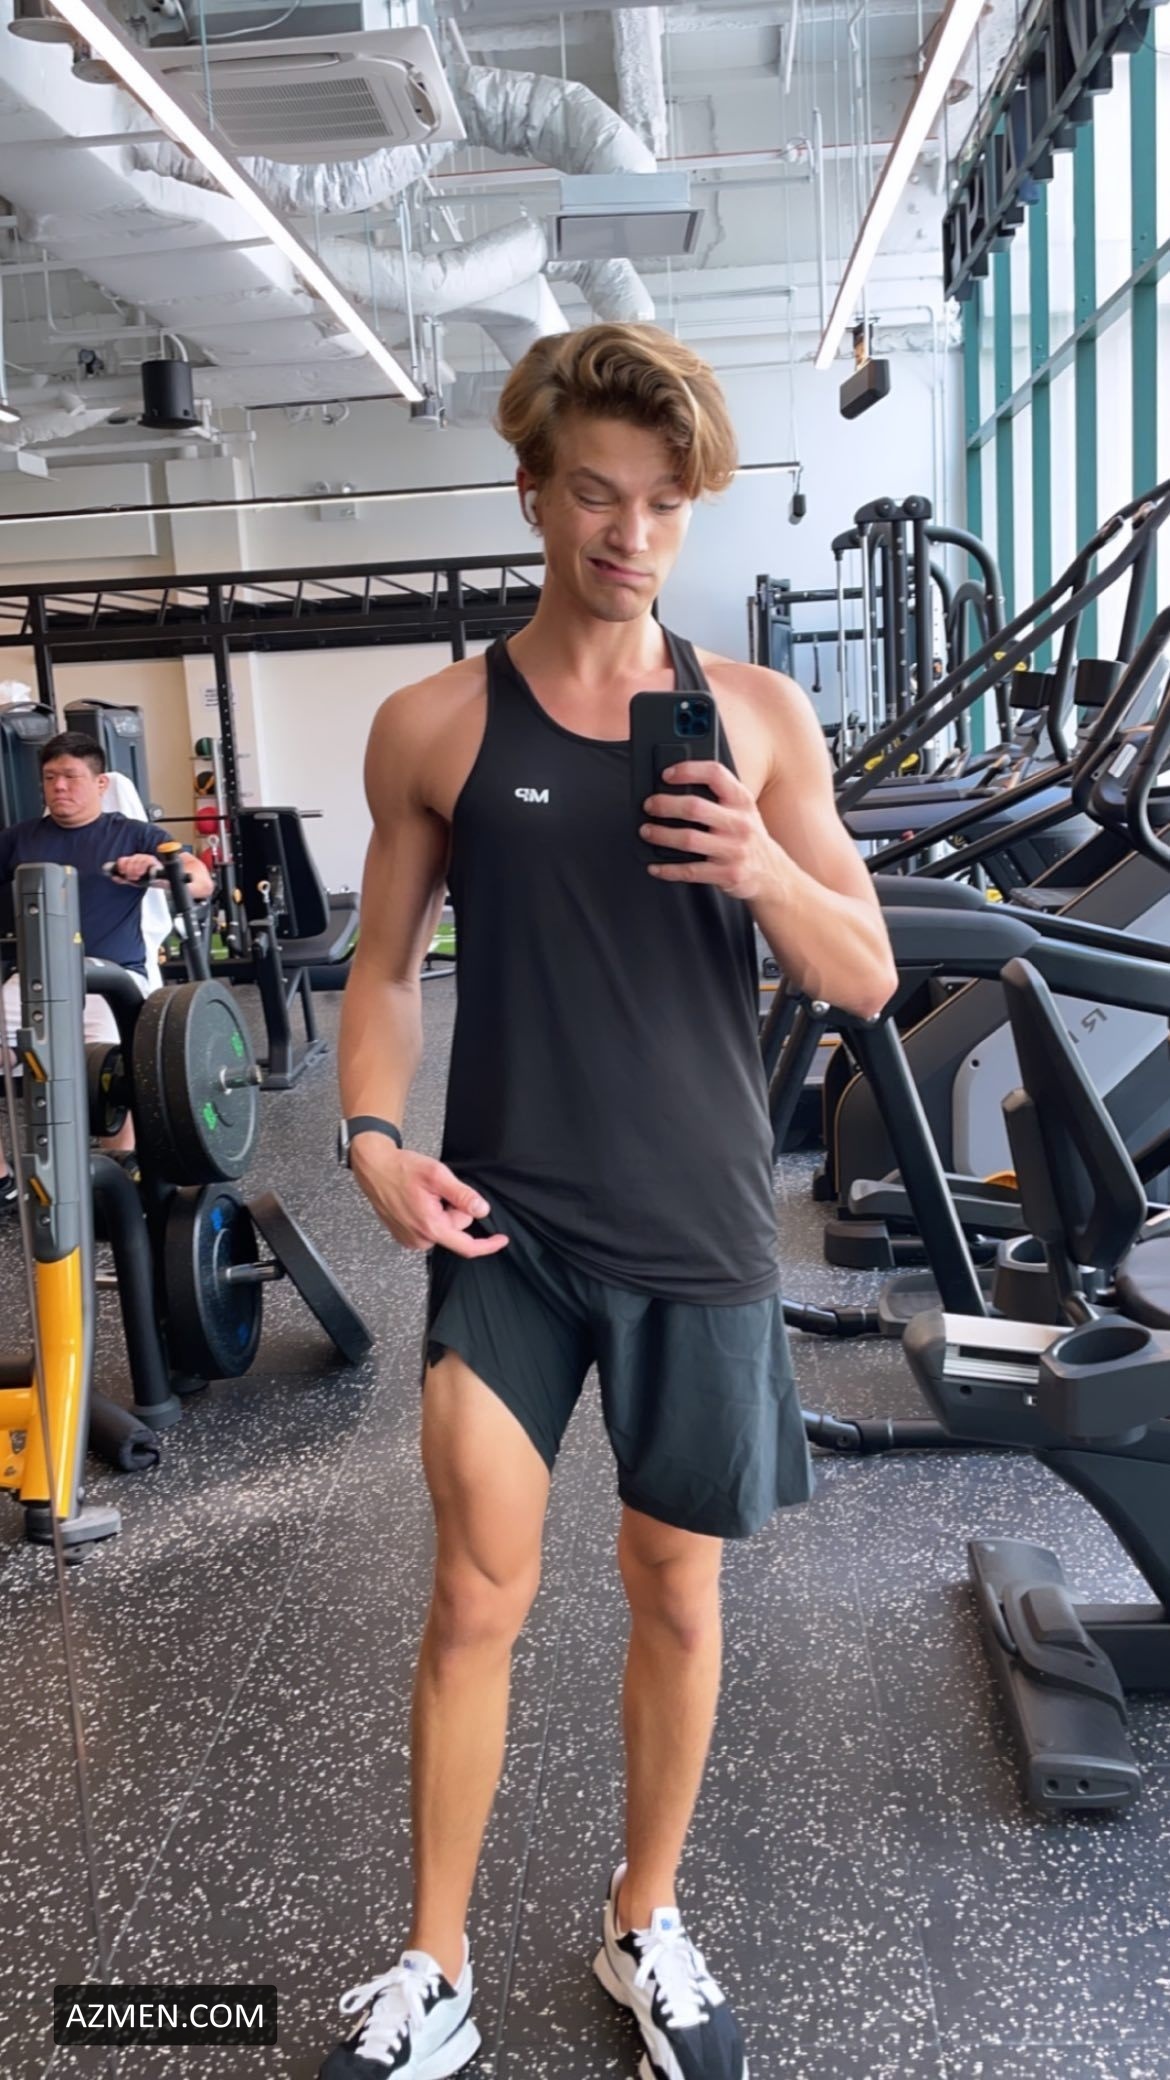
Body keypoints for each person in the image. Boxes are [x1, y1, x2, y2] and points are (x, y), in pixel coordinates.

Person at [327, 323, 897, 2080]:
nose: (628, 534)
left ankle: (643, 1916)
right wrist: (368, 1136)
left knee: (676, 1591)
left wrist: (763, 864)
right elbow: (383, 969)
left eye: (661, 504)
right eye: (594, 495)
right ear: (531, 493)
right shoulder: (433, 725)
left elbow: (868, 974)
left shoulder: (762, 721)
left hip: (698, 1229)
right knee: (472, 1595)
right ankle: (433, 1967)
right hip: (507, 1226)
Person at [0, 729, 213, 1203]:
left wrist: (153, 870)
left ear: (100, 783)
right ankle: (3, 1182)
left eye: (71, 776)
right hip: (33, 980)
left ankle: (121, 1175)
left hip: (109, 980)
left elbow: (200, 882)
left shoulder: (134, 835)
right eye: (50, 777)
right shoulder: (20, 838)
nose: (59, 786)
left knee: (108, 1076)